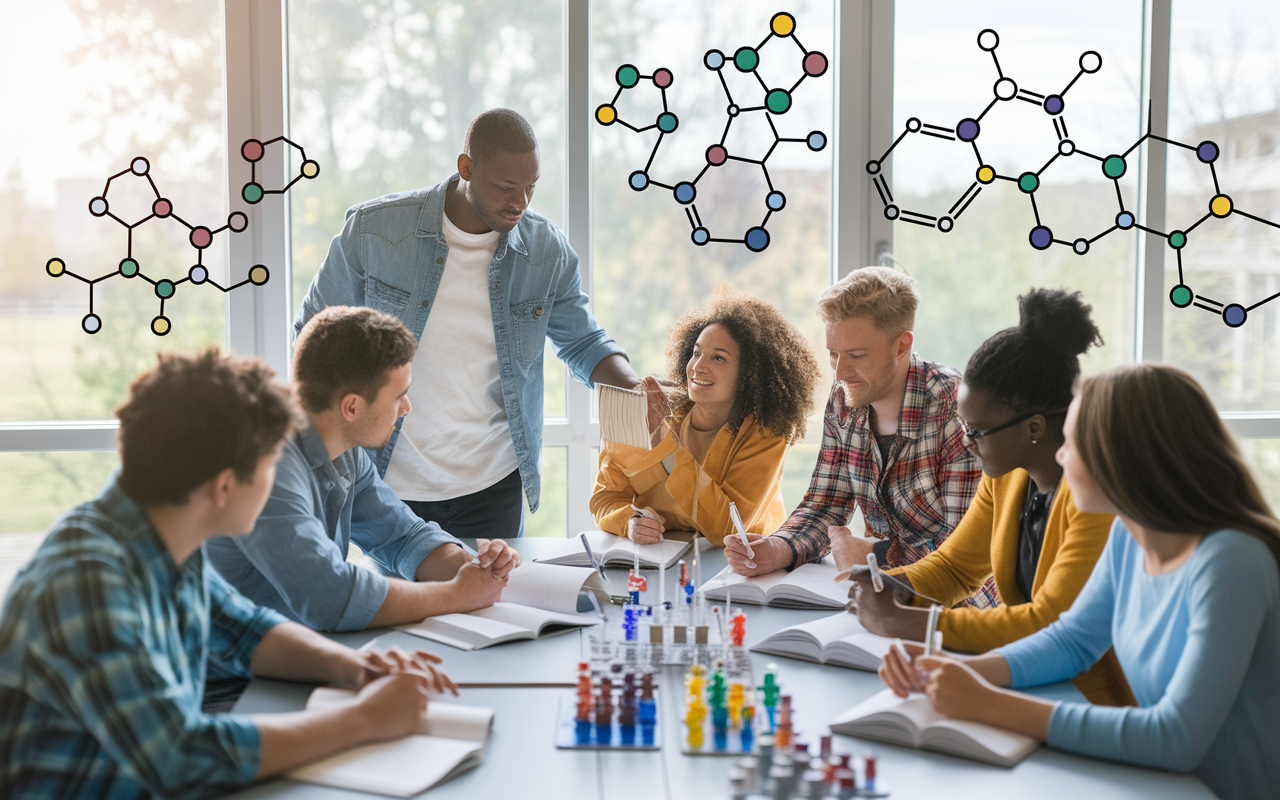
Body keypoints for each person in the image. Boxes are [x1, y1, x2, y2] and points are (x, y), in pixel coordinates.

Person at [0, 349, 460, 799]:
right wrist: (365, 719)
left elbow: (243, 631)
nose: (276, 480)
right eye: (269, 468)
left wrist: (358, 667)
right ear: (224, 487)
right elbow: (182, 757)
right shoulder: (87, 585)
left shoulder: (158, 534)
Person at [879, 364, 1280, 799]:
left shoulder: (1232, 561)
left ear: (1120, 456)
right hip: (1158, 784)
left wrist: (988, 702)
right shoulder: (1130, 534)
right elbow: (1072, 641)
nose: (1060, 456)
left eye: (1070, 443)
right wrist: (957, 672)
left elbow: (1175, 738)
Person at [296, 108, 640, 538]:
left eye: (531, 188)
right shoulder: (375, 232)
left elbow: (584, 342)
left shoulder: (546, 251)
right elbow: (312, 335)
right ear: (466, 168)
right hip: (387, 482)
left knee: (490, 603)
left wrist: (634, 388)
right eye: (506, 187)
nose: (520, 202)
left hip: (492, 485)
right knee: (407, 606)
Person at [847, 289, 1130, 705]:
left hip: (1089, 698)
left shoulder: (1095, 494)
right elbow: (956, 569)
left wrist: (911, 624)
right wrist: (891, 585)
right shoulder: (1008, 476)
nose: (967, 443)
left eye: (977, 432)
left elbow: (1050, 624)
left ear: (1033, 428)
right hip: (1028, 683)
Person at [207, 307, 518, 633]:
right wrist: (456, 595)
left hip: (295, 653)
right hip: (231, 677)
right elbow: (329, 597)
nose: (407, 409)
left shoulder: (344, 451)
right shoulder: (266, 469)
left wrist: (474, 568)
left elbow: (402, 536)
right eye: (400, 396)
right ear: (352, 407)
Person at [725, 267, 994, 606]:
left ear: (902, 345)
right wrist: (778, 549)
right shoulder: (845, 400)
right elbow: (825, 505)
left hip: (964, 607)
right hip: (886, 595)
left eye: (855, 355)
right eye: (833, 354)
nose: (839, 372)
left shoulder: (954, 408)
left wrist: (877, 553)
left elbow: (967, 553)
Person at [589, 288, 820, 546]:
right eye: (696, 353)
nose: (697, 367)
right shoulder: (649, 411)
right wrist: (629, 523)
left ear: (750, 374)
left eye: (718, 358)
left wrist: (667, 448)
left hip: (742, 565)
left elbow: (729, 529)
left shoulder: (768, 431)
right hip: (662, 559)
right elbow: (605, 498)